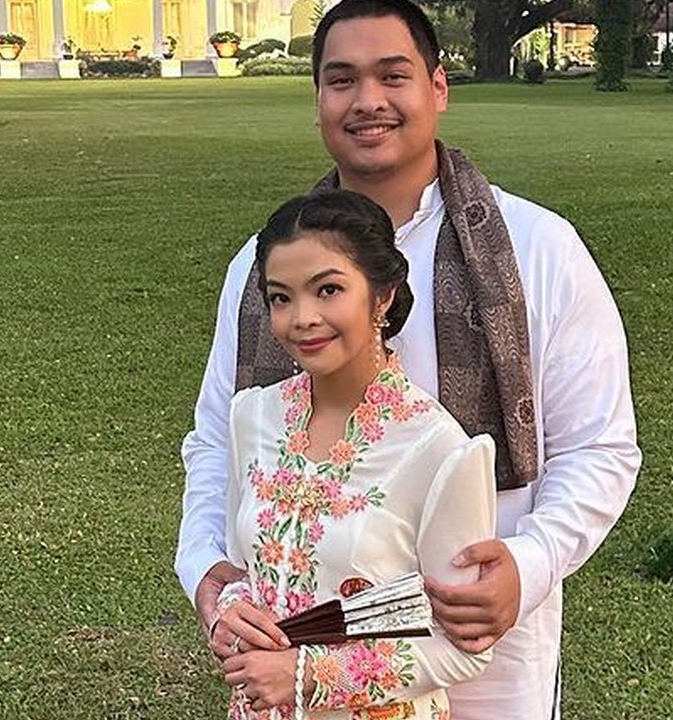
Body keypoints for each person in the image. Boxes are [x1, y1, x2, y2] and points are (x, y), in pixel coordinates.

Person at [177, 0, 642, 717]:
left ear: (438, 87)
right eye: (342, 80)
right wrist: (207, 564)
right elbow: (217, 439)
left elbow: (600, 446)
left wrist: (530, 562)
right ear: (317, 99)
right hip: (294, 647)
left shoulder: (538, 250)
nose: (368, 100)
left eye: (393, 75)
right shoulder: (263, 266)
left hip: (481, 627)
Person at [211, 189, 496, 718]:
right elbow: (244, 568)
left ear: (382, 296)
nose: (302, 318)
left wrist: (310, 675)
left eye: (328, 290)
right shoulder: (252, 417)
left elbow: (464, 648)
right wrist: (231, 614)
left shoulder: (438, 449)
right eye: (281, 298)